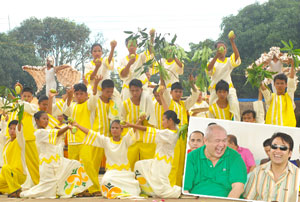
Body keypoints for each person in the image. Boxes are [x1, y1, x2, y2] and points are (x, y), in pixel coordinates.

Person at [20, 111, 91, 198]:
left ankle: (79, 190)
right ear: (37, 120)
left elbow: (56, 134)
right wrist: (68, 127)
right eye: (44, 119)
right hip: (47, 164)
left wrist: (66, 126)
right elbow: (57, 133)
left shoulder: (47, 131)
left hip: (56, 160)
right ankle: (72, 190)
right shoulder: (39, 132)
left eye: (47, 119)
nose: (46, 121)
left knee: (75, 164)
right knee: (48, 190)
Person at [72, 120, 141, 199]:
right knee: (106, 180)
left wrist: (139, 120)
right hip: (111, 172)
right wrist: (77, 125)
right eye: (113, 128)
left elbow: (134, 130)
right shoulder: (106, 141)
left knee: (134, 186)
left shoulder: (125, 140)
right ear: (110, 130)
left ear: (121, 130)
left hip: (125, 172)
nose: (114, 130)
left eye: (117, 128)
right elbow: (90, 133)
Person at [126, 110, 182, 198]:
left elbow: (148, 130)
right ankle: (148, 191)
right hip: (158, 161)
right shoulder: (176, 129)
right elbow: (168, 111)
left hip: (162, 164)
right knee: (139, 165)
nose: (162, 122)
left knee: (162, 191)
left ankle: (177, 191)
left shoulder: (168, 134)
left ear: (170, 120)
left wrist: (131, 125)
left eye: (163, 119)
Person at [184, 124, 247, 198]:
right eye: (217, 141)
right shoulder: (192, 157)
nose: (221, 145)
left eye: (224, 141)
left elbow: (238, 188)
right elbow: (185, 189)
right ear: (205, 141)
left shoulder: (234, 157)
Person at [160, 76, 199, 187]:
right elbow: (164, 91)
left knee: (182, 162)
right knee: (174, 162)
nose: (178, 94)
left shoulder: (184, 104)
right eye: (176, 91)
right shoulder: (170, 102)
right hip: (173, 136)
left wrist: (192, 84)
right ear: (171, 92)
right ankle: (170, 186)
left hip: (184, 136)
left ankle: (179, 187)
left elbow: (195, 96)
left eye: (180, 92)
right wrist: (163, 77)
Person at [62, 83, 100, 196]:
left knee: (88, 163)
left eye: (81, 94)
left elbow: (94, 100)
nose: (78, 96)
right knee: (74, 165)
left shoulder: (89, 104)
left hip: (85, 140)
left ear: (86, 95)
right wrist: (69, 96)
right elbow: (66, 111)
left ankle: (95, 188)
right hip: (73, 140)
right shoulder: (72, 105)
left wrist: (96, 84)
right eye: (76, 94)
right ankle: (77, 189)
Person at [0, 85, 40, 186]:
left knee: (33, 163)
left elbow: (26, 107)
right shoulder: (12, 106)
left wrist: (16, 100)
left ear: (32, 98)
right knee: (10, 162)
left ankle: (38, 184)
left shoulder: (33, 107)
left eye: (29, 96)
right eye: (24, 96)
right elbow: (2, 101)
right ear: (21, 96)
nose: (26, 98)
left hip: (28, 138)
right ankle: (10, 184)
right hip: (12, 139)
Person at [243, 132, 299, 202]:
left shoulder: (298, 175)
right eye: (274, 147)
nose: (277, 151)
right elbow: (247, 199)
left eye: (283, 148)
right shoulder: (257, 172)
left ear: (290, 153)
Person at [121, 79, 157, 171]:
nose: (135, 93)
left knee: (148, 166)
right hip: (132, 138)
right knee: (129, 165)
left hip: (146, 139)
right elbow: (122, 120)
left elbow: (152, 119)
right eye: (132, 90)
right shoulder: (126, 104)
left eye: (137, 90)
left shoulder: (148, 102)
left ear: (141, 90)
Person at [206, 36, 241, 121]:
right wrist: (216, 57)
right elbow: (208, 69)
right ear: (215, 51)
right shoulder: (211, 60)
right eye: (218, 48)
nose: (221, 50)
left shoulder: (229, 60)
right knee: (212, 108)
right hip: (215, 89)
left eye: (223, 48)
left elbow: (236, 57)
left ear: (226, 50)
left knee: (234, 105)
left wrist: (232, 42)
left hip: (228, 88)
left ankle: (236, 124)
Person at [118, 30, 154, 101]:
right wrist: (129, 63)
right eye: (130, 45)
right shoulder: (123, 60)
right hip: (128, 89)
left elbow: (149, 51)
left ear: (137, 46)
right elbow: (123, 75)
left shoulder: (141, 57)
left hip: (141, 87)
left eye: (134, 45)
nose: (132, 47)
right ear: (126, 46)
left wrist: (152, 38)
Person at [261, 59, 296, 127]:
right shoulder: (271, 97)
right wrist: (259, 72)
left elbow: (291, 81)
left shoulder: (289, 96)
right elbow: (264, 90)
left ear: (286, 84)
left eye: (282, 83)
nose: (280, 85)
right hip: (272, 129)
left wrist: (292, 65)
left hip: (288, 129)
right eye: (277, 83)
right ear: (274, 84)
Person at [0, 120, 26, 198]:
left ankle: (14, 189)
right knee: (5, 169)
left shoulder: (20, 141)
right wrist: (4, 120)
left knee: (5, 167)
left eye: (14, 129)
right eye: (10, 129)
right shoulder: (7, 142)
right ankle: (14, 189)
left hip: (19, 174)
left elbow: (20, 133)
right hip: (8, 174)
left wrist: (20, 122)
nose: (12, 131)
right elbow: (1, 135)